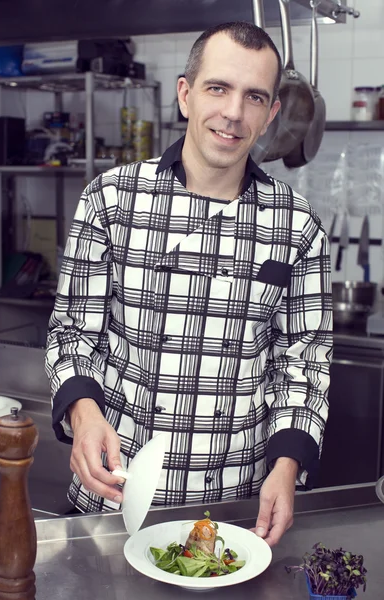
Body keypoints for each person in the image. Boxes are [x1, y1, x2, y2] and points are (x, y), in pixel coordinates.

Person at [45, 21, 332, 547]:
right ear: (185, 94)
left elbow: (304, 362)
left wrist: (288, 467)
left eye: (254, 98)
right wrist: (84, 418)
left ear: (270, 114)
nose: (232, 113)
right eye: (217, 88)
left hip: (234, 511)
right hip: (114, 494)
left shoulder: (298, 224)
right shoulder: (110, 200)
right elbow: (71, 332)